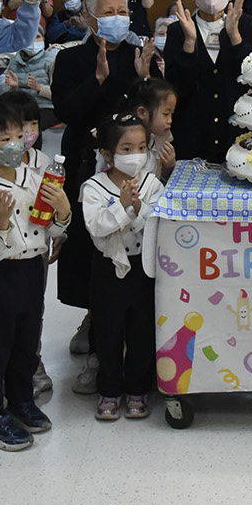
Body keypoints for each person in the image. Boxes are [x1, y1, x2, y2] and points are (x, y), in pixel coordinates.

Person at [52, 0, 158, 393]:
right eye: (107, 11)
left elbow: (148, 107)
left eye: (122, 10)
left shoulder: (138, 55)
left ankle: (127, 341)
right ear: (90, 18)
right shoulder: (71, 58)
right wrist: (97, 78)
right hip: (87, 163)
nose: (117, 17)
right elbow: (65, 110)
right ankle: (94, 327)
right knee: (88, 245)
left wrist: (145, 77)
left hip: (133, 163)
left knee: (131, 237)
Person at [0, 103, 69, 451]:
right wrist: (2, 221)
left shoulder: (33, 177)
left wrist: (63, 214)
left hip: (32, 268)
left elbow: (47, 224)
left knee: (27, 339)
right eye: (4, 138)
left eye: (18, 135)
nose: (16, 143)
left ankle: (22, 398)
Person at [83, 112, 164, 421]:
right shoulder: (93, 187)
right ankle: (109, 389)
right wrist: (122, 205)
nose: (136, 156)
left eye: (142, 147)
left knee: (142, 330)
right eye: (127, 149)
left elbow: (156, 225)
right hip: (108, 269)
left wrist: (138, 206)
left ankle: (138, 388)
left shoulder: (151, 183)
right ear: (107, 154)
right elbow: (97, 226)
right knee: (108, 331)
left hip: (142, 267)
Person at [165, 0, 252, 162]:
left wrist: (235, 36)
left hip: (238, 136)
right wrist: (190, 43)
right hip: (192, 137)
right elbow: (176, 86)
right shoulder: (177, 31)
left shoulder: (246, 25)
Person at [129, 77, 178, 182]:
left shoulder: (162, 137)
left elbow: (160, 178)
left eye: (171, 114)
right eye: (165, 114)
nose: (170, 120)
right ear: (142, 112)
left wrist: (168, 166)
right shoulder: (125, 140)